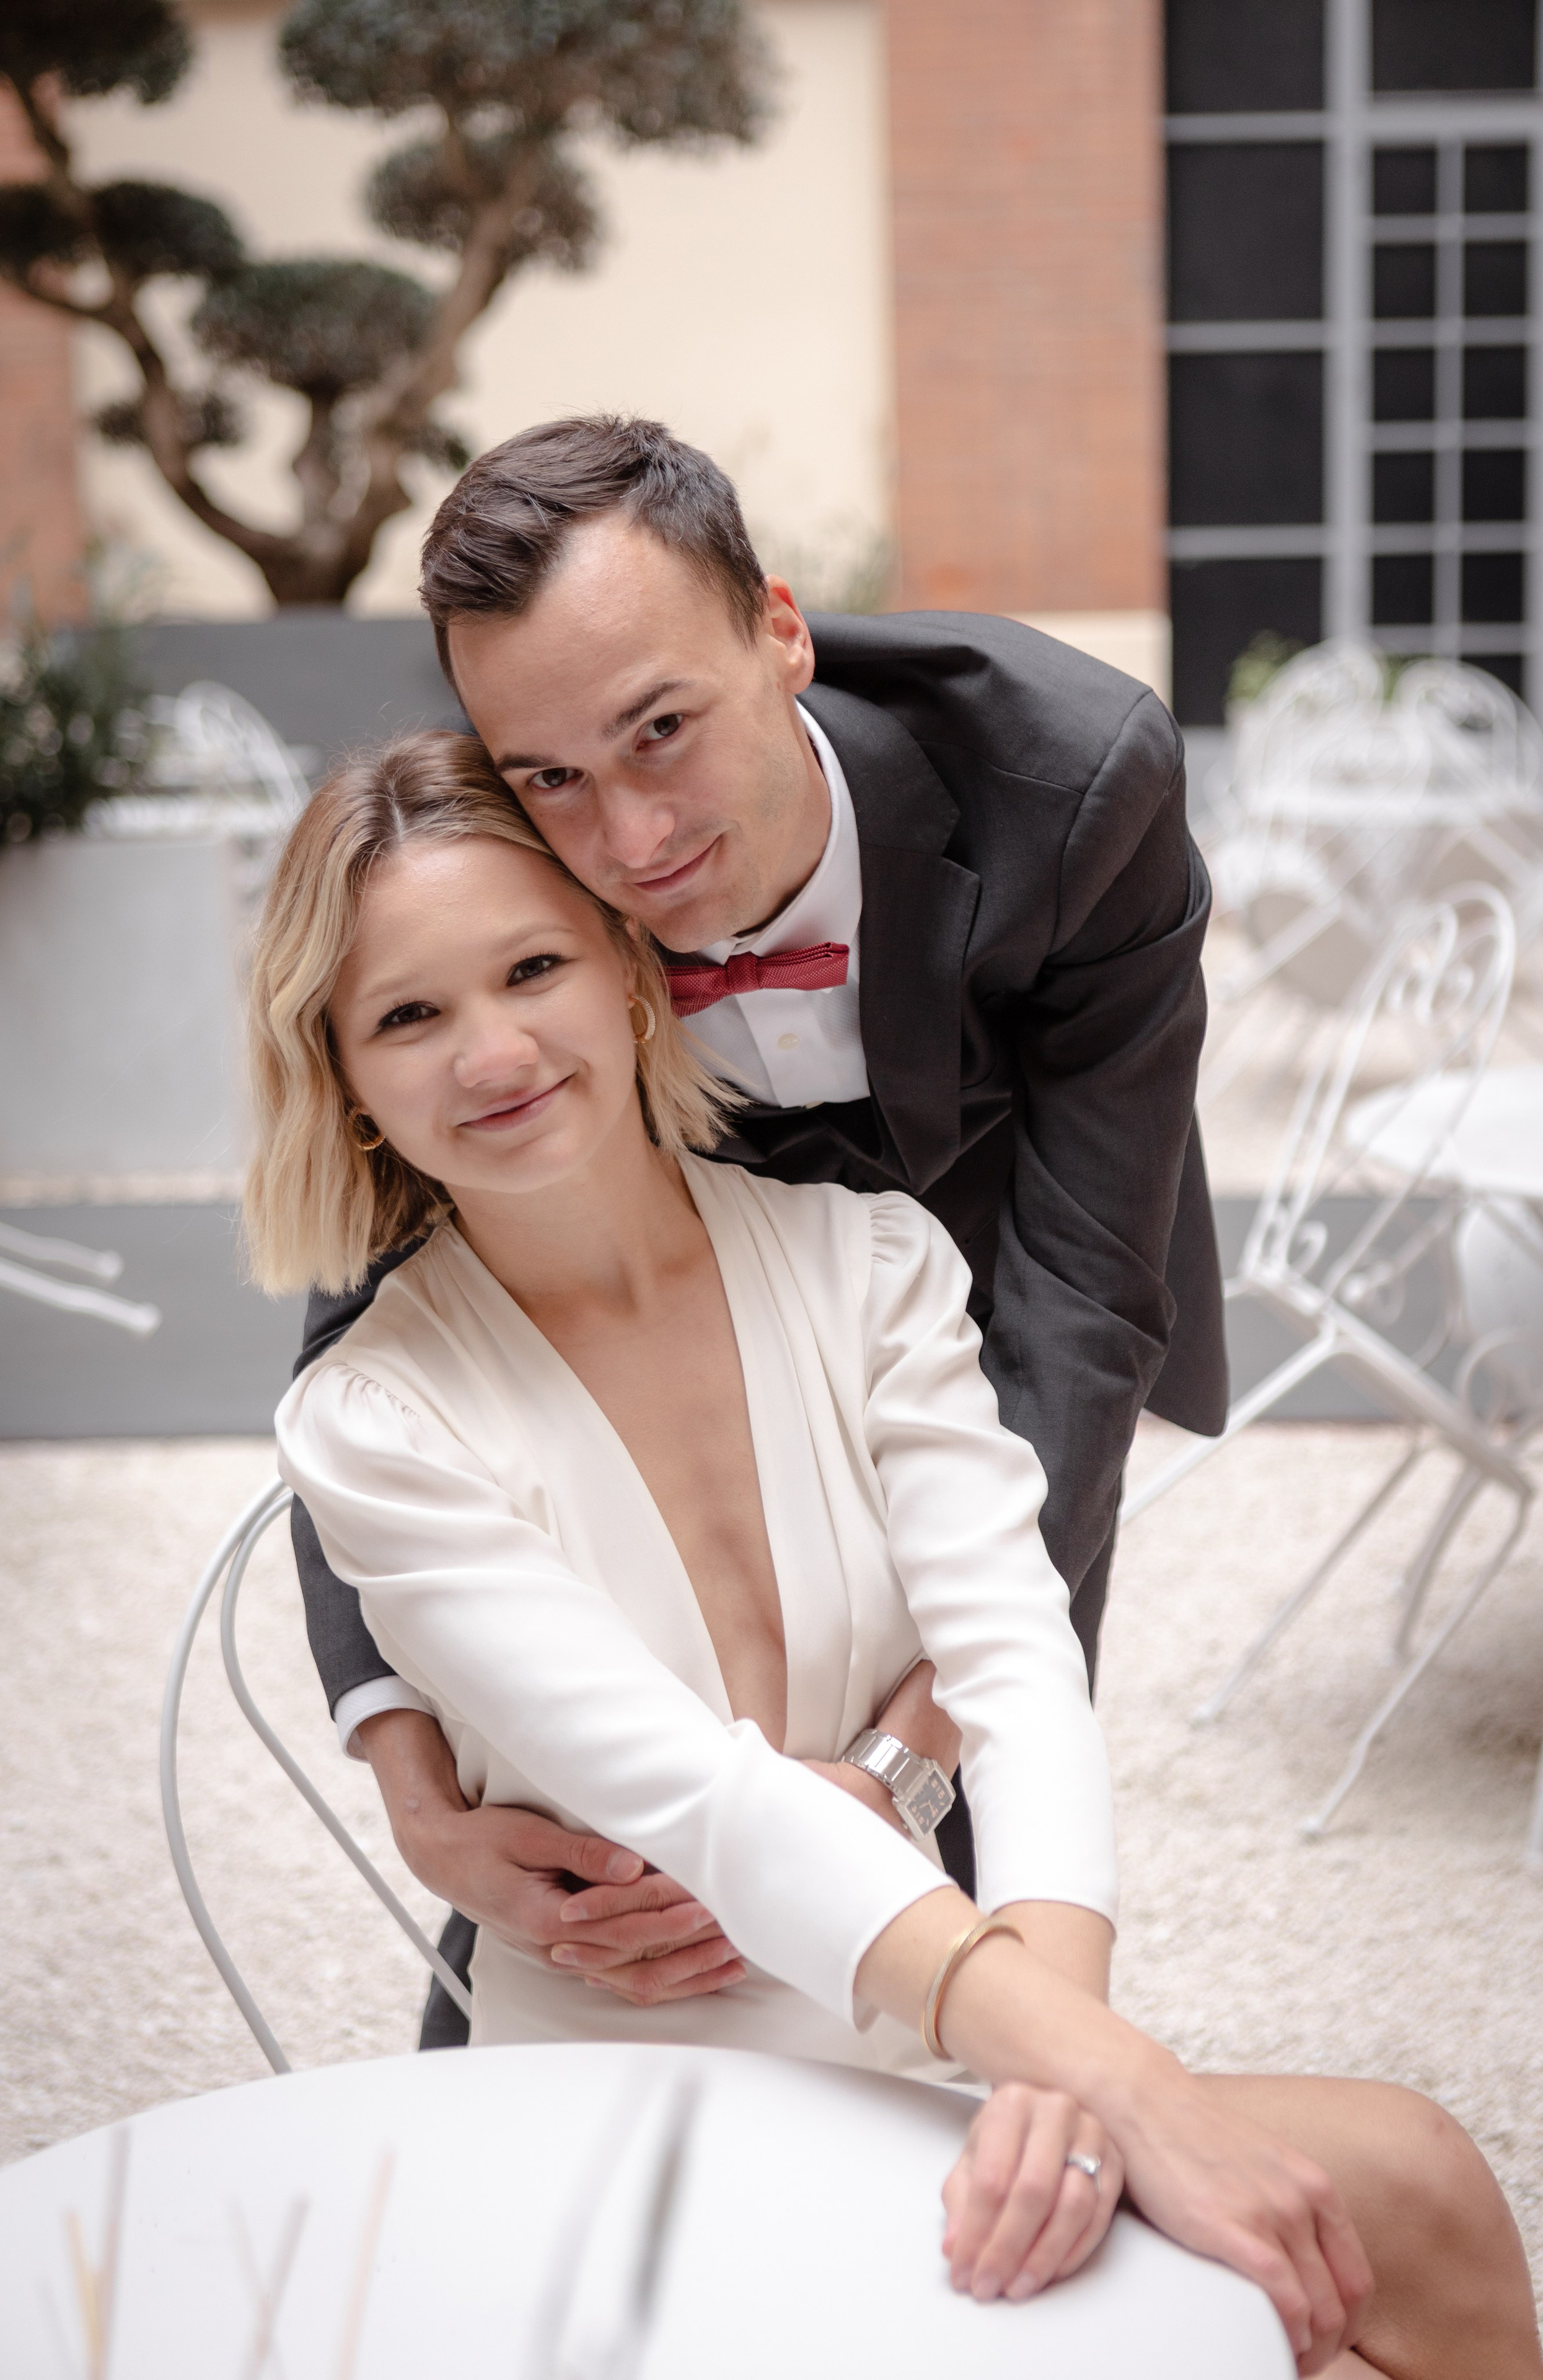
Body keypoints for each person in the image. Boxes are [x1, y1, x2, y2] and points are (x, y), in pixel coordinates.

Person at [252, 738, 1543, 2378]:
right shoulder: (371, 1423)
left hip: (942, 2028)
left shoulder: (866, 1260)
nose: (493, 1051)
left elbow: (1016, 1658)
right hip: (622, 2102)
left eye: (532, 967)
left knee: (1415, 2191)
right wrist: (1112, 2082)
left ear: (633, 978)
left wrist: (1064, 2069)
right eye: (409, 1015)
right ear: (342, 1073)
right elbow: (702, 1798)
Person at [292, 413, 1229, 2039]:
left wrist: (906, 1750)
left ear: (782, 631)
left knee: (983, 1883)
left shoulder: (1073, 791)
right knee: (591, 1834)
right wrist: (418, 1786)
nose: (632, 842)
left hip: (999, 1302)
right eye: (557, 779)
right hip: (653, 1296)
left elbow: (1081, 1306)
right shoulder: (523, 847)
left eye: (665, 731)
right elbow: (366, 1321)